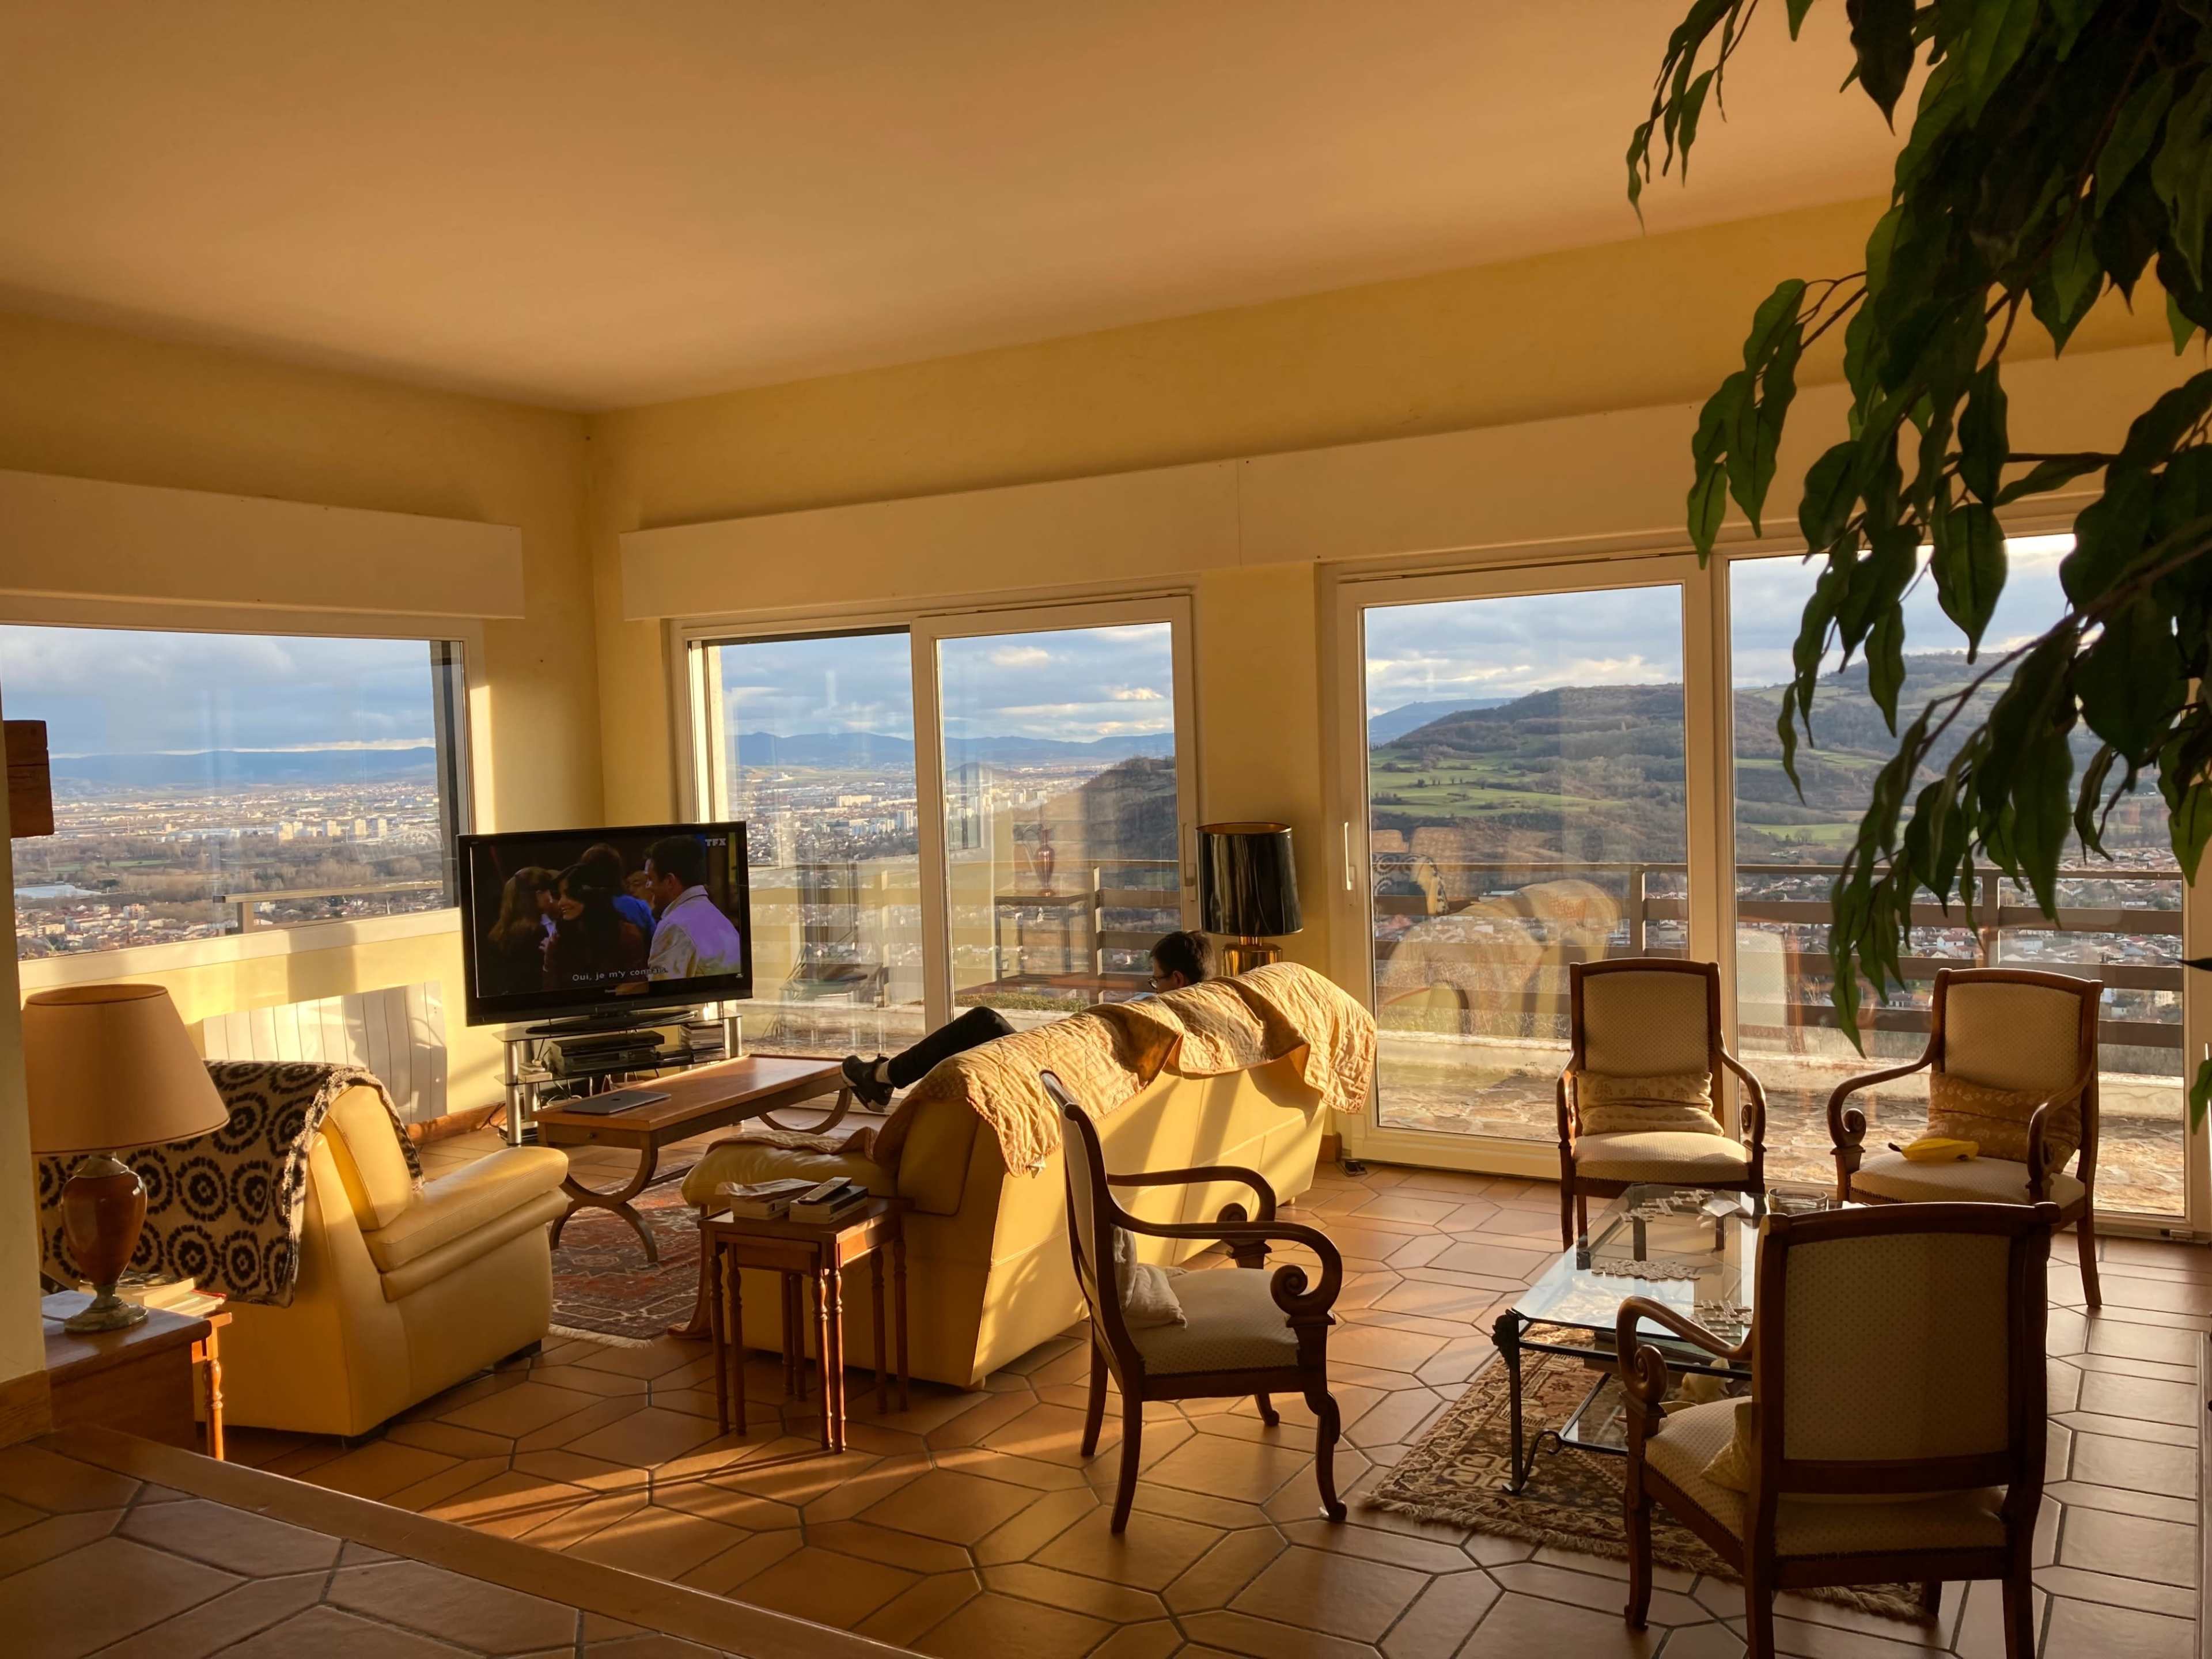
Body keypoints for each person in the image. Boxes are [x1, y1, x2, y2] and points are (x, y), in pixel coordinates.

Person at [840, 931, 1213, 1108]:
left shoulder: (1157, 1010)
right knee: (983, 1025)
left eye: (1157, 978)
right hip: (1070, 1069)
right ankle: (883, 1078)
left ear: (1177, 979)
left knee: (981, 1021)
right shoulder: (1201, 1012)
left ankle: (880, 1078)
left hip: (1060, 1083)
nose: (1154, 984)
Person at [645, 832, 745, 980]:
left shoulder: (674, 926)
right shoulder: (715, 916)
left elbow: (663, 994)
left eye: (650, 879)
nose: (648, 886)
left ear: (670, 881)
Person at [542, 863, 649, 990]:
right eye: (560, 896)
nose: (561, 903)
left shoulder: (627, 934)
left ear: (591, 895)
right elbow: (550, 990)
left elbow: (637, 987)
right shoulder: (558, 938)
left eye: (570, 895)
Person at [487, 865, 560, 994]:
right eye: (548, 890)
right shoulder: (536, 933)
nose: (551, 896)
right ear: (537, 895)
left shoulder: (499, 932)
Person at [580, 842, 656, 937]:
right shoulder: (639, 907)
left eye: (636, 884)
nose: (631, 889)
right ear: (618, 872)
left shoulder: (577, 907)